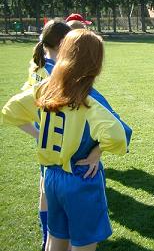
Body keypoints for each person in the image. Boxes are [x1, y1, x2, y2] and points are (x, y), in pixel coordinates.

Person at [2, 29, 132, 251]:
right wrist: (97, 152)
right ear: (95, 62)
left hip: (51, 177)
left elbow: (9, 111)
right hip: (80, 175)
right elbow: (119, 135)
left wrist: (39, 134)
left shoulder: (45, 88)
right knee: (83, 243)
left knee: (56, 238)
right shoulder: (89, 98)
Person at [21, 20, 71, 250]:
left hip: (45, 141)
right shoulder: (55, 73)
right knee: (60, 194)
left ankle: (46, 238)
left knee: (44, 188)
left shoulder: (36, 67)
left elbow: (22, 103)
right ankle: (56, 238)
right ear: (62, 43)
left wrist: (37, 133)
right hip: (59, 143)